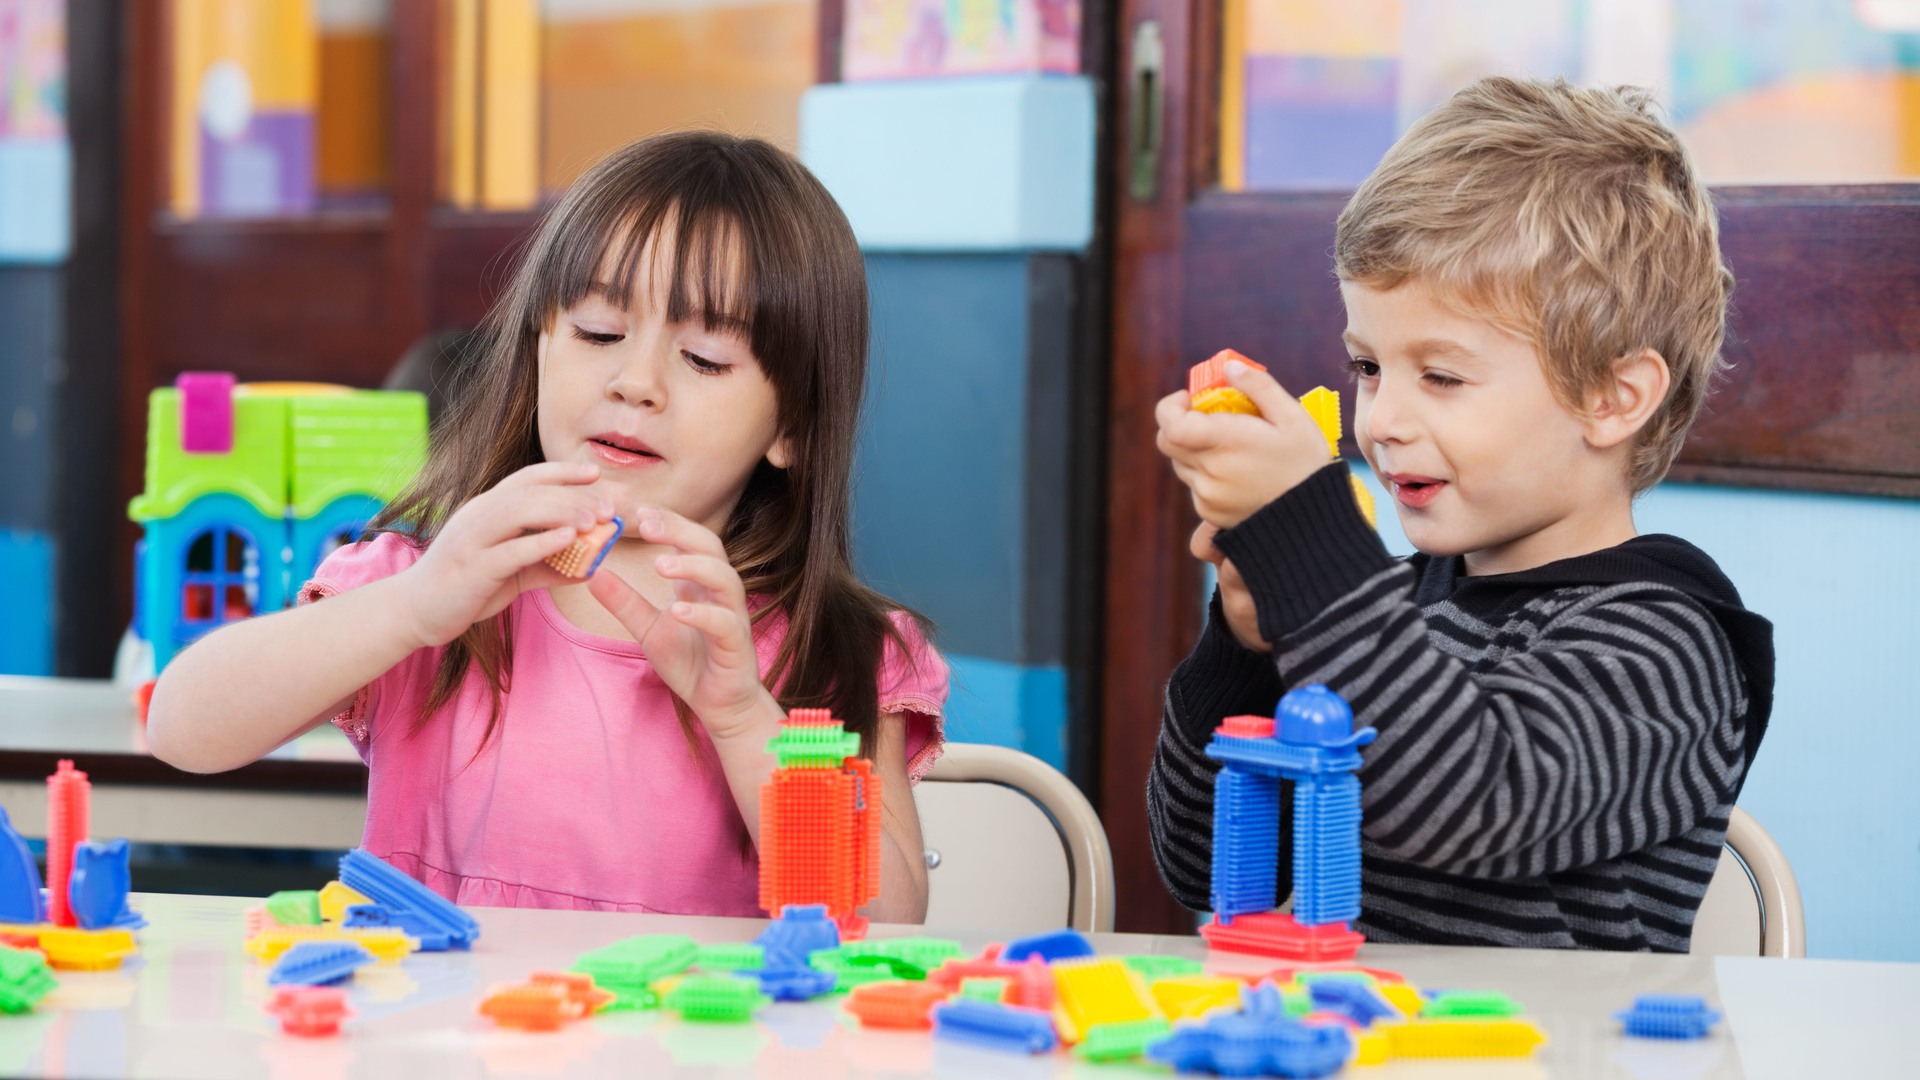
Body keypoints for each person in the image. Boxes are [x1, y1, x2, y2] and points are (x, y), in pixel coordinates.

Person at [148, 132, 948, 921]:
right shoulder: (441, 586)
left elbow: (886, 920)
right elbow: (183, 730)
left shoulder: (837, 645)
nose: (635, 382)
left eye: (704, 358)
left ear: (793, 427)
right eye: (599, 333)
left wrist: (742, 716)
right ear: (538, 352)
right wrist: (411, 607)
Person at [1148, 77, 1774, 951]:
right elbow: (1205, 863)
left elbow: (1473, 802)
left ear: (1612, 397)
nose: (1383, 419)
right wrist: (1249, 648)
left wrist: (1316, 549)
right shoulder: (1386, 616)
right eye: (1368, 367)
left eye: (1440, 376)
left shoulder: (1666, 643)